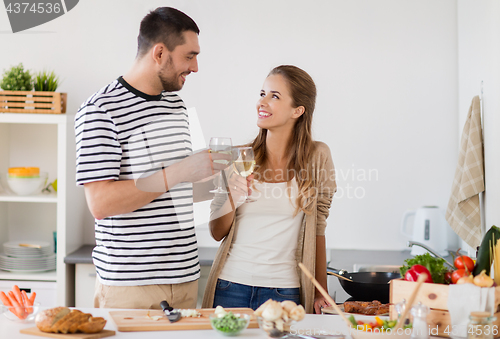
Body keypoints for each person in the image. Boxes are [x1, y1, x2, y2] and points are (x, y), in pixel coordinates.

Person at [75, 7, 228, 309]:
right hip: (131, 286)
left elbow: (185, 194)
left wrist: (225, 182)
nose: (195, 67)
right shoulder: (100, 111)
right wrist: (183, 169)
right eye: (189, 56)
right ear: (159, 53)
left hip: (185, 277)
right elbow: (101, 203)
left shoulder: (177, 106)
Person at [202, 65, 337, 314]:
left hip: (286, 292)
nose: (261, 102)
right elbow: (216, 232)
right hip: (231, 287)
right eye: (262, 93)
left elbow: (319, 226)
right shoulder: (240, 157)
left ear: (298, 110)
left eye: (274, 96)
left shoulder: (318, 156)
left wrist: (321, 291)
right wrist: (232, 197)